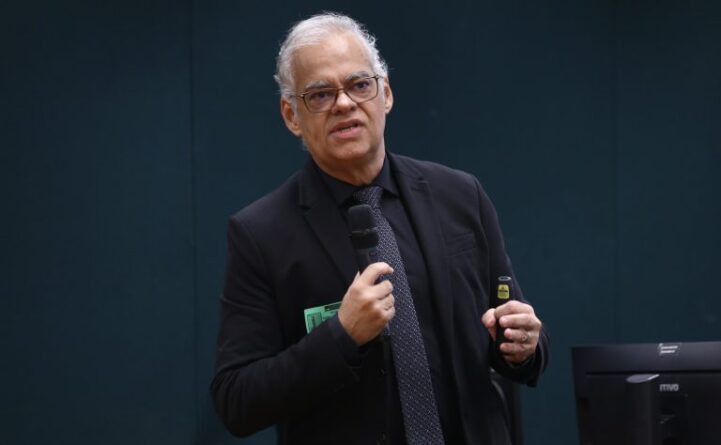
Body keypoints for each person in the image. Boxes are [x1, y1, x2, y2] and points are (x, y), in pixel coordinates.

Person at [211, 12, 549, 445]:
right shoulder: (260, 234)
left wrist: (525, 346)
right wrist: (341, 336)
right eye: (320, 94)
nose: (344, 104)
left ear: (385, 93)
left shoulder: (462, 196)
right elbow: (236, 400)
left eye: (359, 85)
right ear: (291, 115)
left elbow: (515, 330)